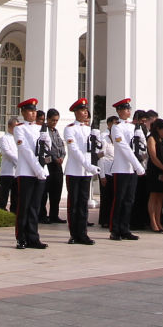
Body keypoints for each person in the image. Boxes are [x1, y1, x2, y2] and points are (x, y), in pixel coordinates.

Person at [12, 98, 49, 249]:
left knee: (35, 206)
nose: (33, 113)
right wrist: (37, 169)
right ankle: (21, 237)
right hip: (27, 172)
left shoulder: (40, 128)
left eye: (34, 111)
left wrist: (47, 140)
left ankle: (33, 237)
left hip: (40, 172)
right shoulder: (19, 128)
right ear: (23, 112)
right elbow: (25, 150)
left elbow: (46, 150)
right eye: (30, 111)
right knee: (24, 206)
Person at [61, 99, 99, 244]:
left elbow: (93, 149)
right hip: (74, 170)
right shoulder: (70, 129)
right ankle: (74, 234)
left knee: (83, 204)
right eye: (82, 110)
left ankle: (83, 233)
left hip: (86, 172)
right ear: (76, 112)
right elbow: (74, 150)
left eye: (86, 110)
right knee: (74, 204)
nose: (85, 112)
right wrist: (88, 165)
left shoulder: (89, 129)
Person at [107, 97, 141, 240]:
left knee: (129, 199)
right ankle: (115, 230)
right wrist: (137, 164)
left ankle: (125, 228)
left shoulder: (133, 127)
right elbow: (124, 147)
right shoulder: (116, 127)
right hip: (121, 168)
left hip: (131, 168)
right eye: (125, 109)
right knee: (119, 200)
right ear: (119, 111)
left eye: (129, 109)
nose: (128, 111)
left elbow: (139, 146)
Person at [41, 106, 66, 224]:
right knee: (45, 192)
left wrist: (62, 157)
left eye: (56, 120)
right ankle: (42, 215)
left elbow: (61, 146)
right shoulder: (44, 130)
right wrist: (55, 158)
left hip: (58, 164)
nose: (54, 123)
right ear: (48, 119)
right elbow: (47, 148)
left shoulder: (55, 131)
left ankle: (54, 215)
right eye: (52, 120)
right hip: (48, 164)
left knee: (57, 191)